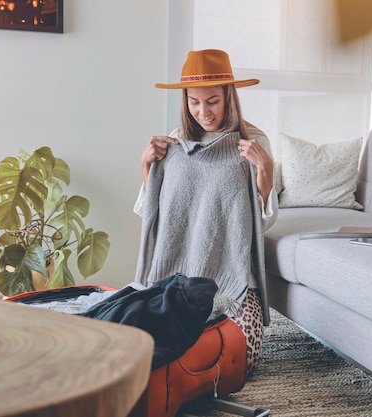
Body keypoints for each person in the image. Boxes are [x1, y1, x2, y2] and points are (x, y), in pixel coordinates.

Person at [133, 49, 278, 375]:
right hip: (179, 274)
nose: (203, 111)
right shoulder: (174, 141)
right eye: (193, 102)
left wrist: (265, 170)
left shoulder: (254, 142)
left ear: (230, 96)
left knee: (241, 362)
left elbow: (264, 222)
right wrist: (146, 165)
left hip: (234, 277)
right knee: (150, 345)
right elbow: (156, 214)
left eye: (212, 101)